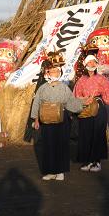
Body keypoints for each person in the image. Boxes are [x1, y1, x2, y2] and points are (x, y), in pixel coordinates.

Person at [31, 52, 90, 181]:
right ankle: (50, 171)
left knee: (61, 145)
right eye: (52, 71)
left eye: (57, 72)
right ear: (47, 73)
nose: (55, 74)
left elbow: (71, 102)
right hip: (46, 119)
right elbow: (37, 103)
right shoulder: (42, 88)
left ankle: (60, 171)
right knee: (48, 145)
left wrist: (82, 103)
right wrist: (36, 119)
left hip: (61, 119)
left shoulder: (64, 87)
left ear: (60, 73)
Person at [73, 55, 109, 172]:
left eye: (94, 62)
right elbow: (76, 95)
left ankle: (97, 161)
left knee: (98, 133)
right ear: (85, 65)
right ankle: (87, 160)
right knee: (85, 133)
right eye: (90, 62)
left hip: (99, 107)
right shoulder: (81, 80)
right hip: (85, 108)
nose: (92, 64)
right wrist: (82, 101)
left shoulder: (102, 79)